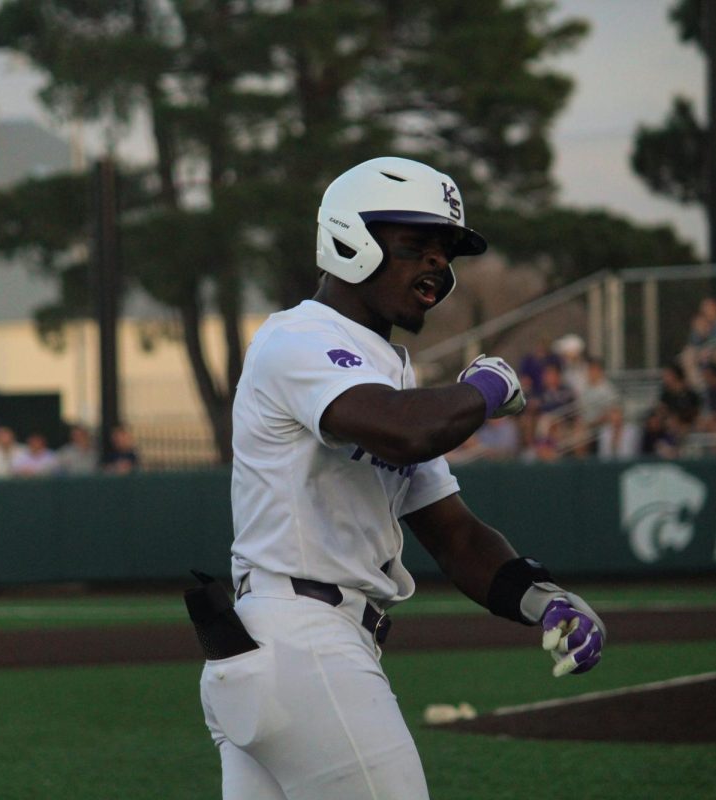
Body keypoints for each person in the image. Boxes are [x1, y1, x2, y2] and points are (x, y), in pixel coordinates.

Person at [200, 157, 605, 800]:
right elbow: (405, 430)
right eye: (415, 245)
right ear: (348, 237)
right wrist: (485, 388)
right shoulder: (299, 336)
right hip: (304, 640)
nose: (436, 266)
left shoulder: (387, 372)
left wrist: (538, 594)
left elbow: (454, 536)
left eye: (444, 253)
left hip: (280, 648)